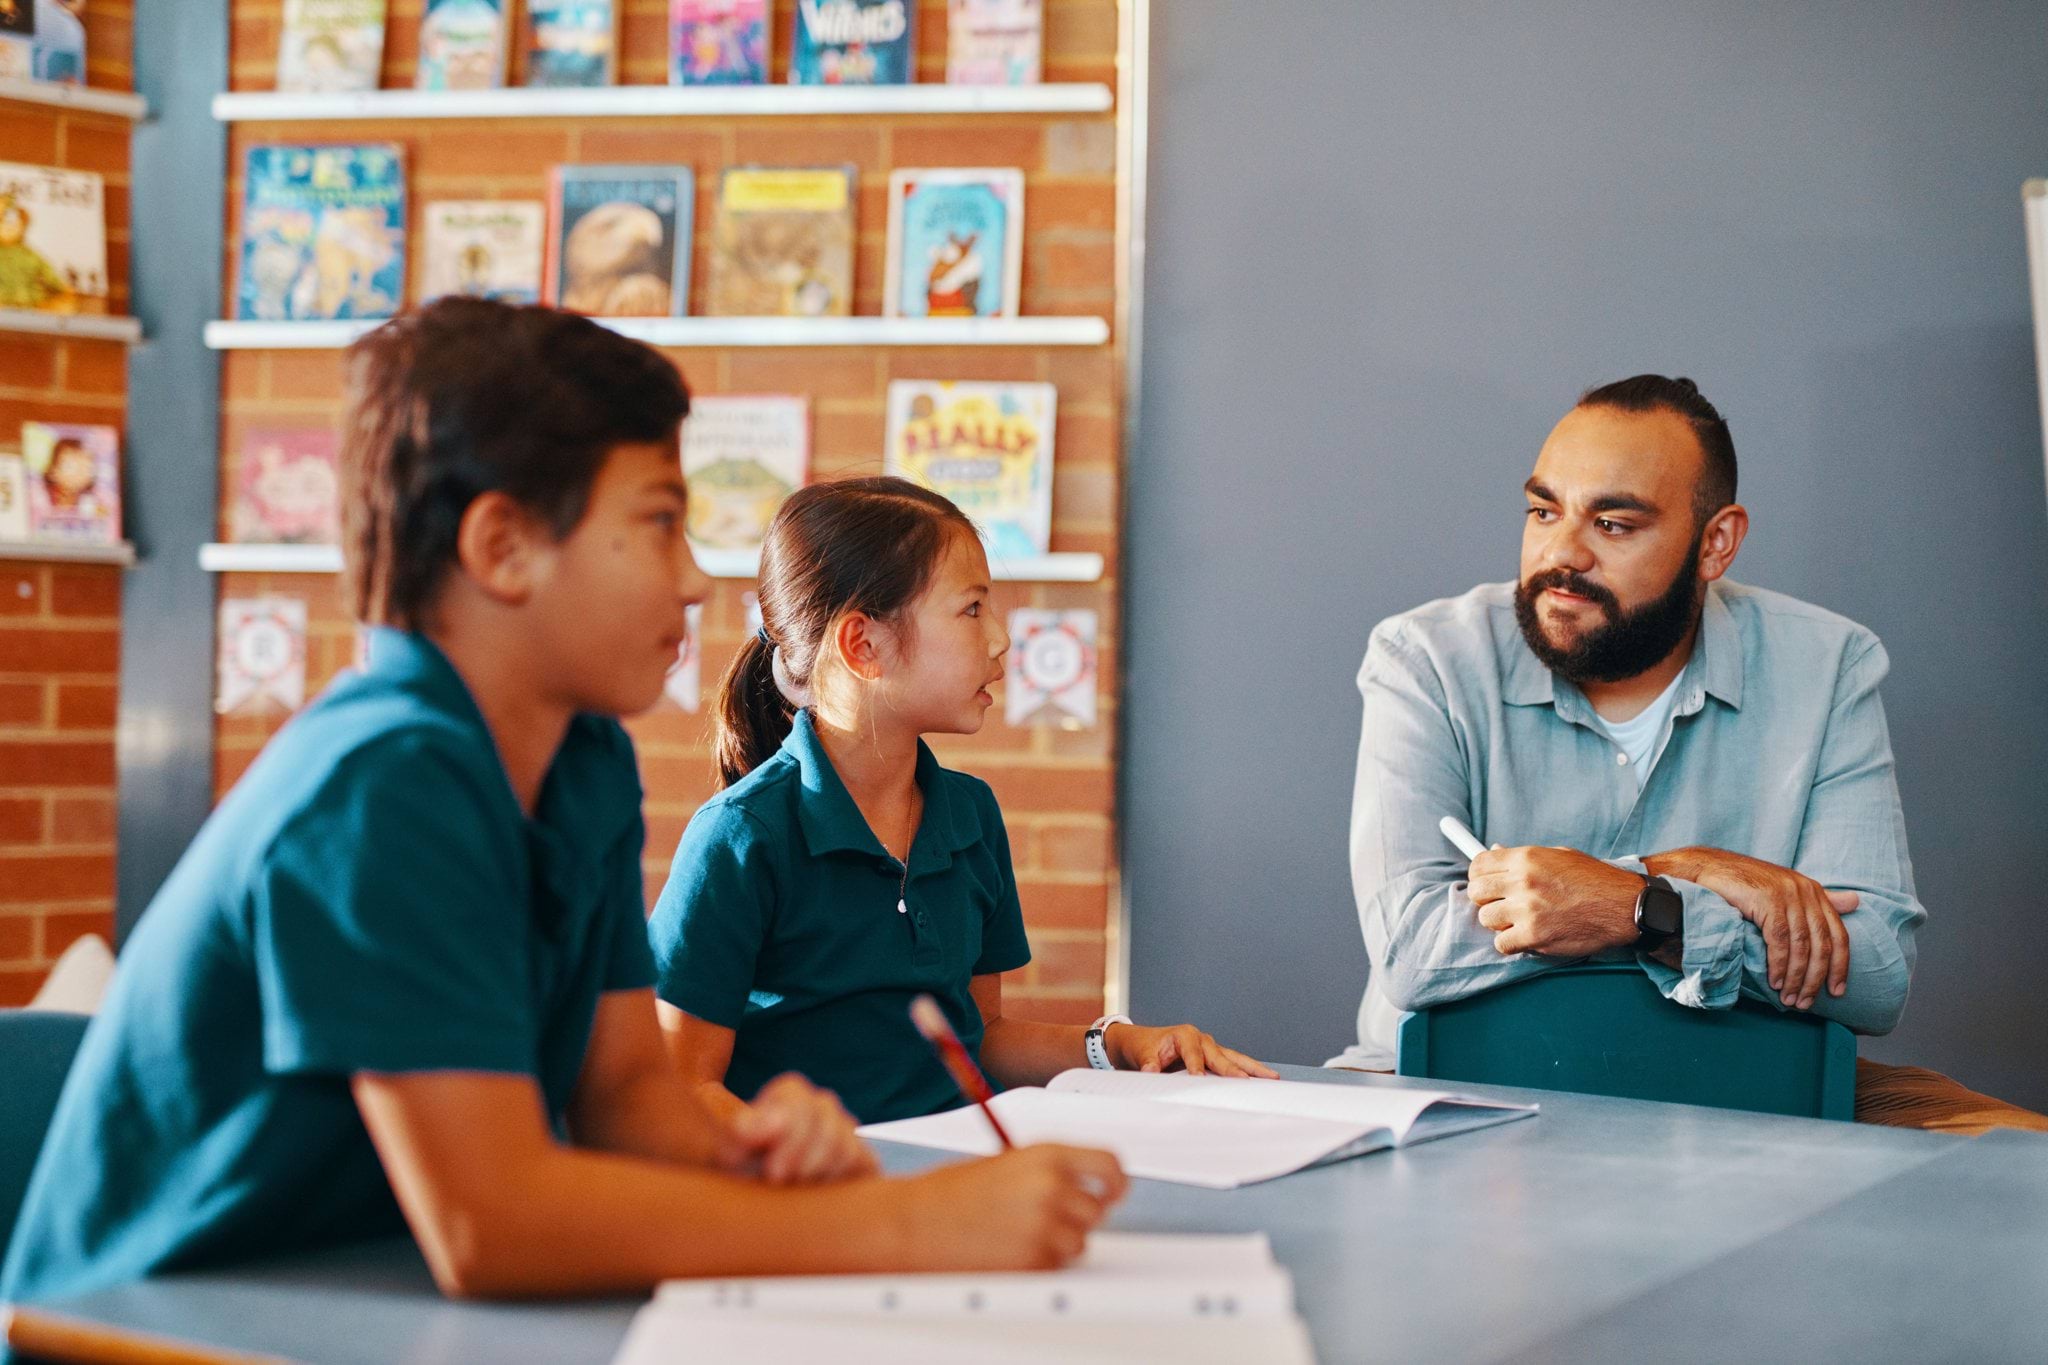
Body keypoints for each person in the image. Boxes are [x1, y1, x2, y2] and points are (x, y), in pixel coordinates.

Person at [0, 299, 1125, 1311]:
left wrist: (747, 1142)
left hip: (353, 1294)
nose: (692, 581)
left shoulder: (578, 759)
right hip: (154, 1323)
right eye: (655, 524)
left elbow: (629, 1094)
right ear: (503, 548)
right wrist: (901, 1226)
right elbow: (490, 1226)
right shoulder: (385, 782)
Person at [1330, 374, 2046, 1134]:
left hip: (1749, 1083)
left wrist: (1630, 905)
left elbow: (1870, 973)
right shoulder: (1427, 659)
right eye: (1544, 511)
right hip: (1460, 1079)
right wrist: (1687, 880)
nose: (1560, 554)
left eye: (1613, 524)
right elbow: (1412, 950)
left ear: (1716, 542)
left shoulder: (1828, 664)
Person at [649, 476, 1277, 1127]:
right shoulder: (739, 836)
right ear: (863, 645)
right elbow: (682, 1084)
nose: (1002, 639)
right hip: (817, 1203)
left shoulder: (971, 812)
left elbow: (981, 1035)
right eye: (973, 608)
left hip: (953, 1179)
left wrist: (1117, 1044)